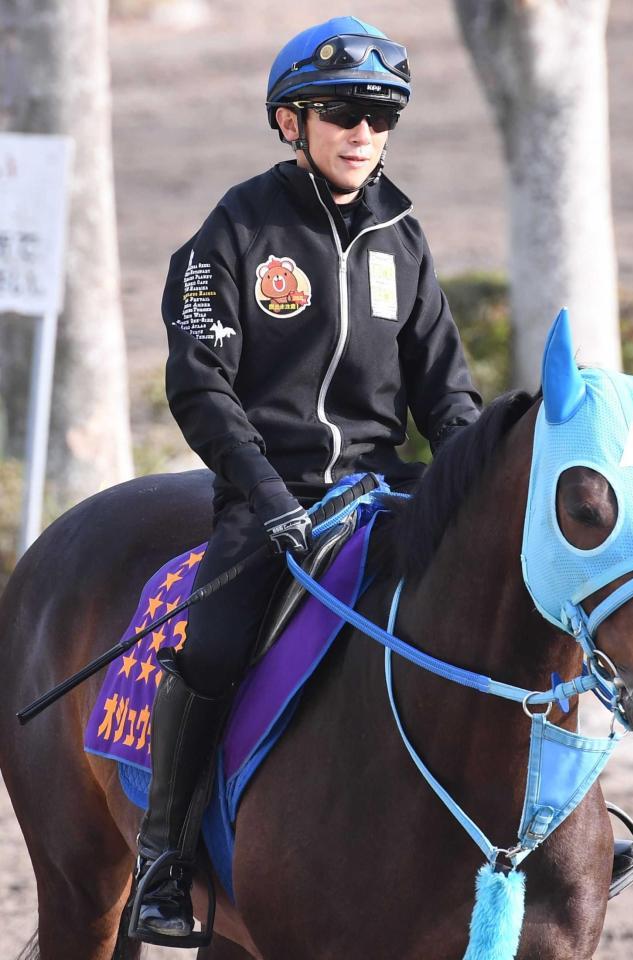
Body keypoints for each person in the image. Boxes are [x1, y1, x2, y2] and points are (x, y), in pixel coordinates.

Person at [131, 16, 482, 943]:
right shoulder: (230, 234)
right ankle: (164, 861)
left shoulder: (402, 235)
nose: (363, 130)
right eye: (340, 111)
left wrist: (476, 482)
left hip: (383, 487)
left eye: (380, 114)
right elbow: (198, 385)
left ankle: (531, 831)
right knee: (210, 647)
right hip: (269, 497)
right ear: (291, 123)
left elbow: (447, 392)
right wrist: (272, 501)